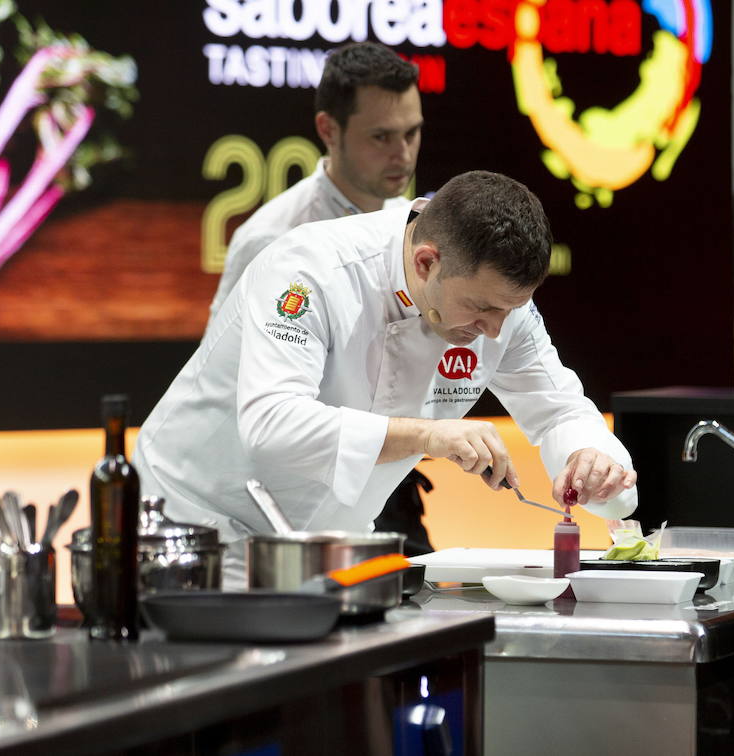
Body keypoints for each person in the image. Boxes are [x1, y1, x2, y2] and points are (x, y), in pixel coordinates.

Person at [138, 170, 639, 585]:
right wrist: (428, 435)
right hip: (195, 529)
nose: (495, 329)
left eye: (512, 309)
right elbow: (271, 425)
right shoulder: (312, 270)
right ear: (426, 262)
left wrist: (591, 460)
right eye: (482, 308)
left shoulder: (501, 311)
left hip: (330, 549)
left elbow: (560, 411)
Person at [207, 41, 436, 553]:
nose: (402, 153)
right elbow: (223, 385)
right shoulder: (272, 241)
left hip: (388, 485)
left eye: (412, 133)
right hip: (292, 498)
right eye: (381, 136)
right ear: (329, 129)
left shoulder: (416, 230)